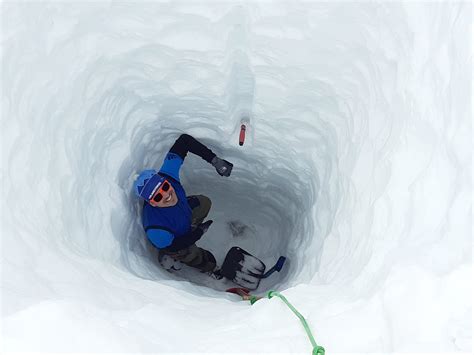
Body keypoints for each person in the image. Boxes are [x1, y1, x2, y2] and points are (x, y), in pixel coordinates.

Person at [133, 133, 233, 275]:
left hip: (183, 212)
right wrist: (198, 233)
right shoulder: (156, 230)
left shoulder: (168, 174)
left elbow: (184, 141)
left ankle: (189, 226)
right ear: (152, 203)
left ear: (165, 180)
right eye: (158, 197)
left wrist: (215, 161)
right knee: (204, 260)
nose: (167, 195)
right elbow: (175, 245)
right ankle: (183, 260)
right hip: (174, 241)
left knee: (204, 203)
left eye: (166, 187)